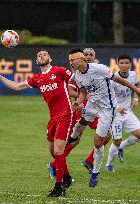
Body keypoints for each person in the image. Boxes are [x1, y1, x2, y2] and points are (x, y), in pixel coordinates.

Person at [0, 50, 74, 197]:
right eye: (38, 56)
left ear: (50, 58)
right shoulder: (37, 79)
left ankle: (59, 187)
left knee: (59, 152)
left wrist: (81, 96)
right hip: (53, 118)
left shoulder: (59, 71)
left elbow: (76, 79)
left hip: (66, 115)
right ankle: (67, 178)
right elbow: (16, 86)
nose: (41, 56)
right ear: (37, 61)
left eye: (44, 54)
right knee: (53, 152)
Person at [68, 49, 140, 188]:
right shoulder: (77, 75)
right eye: (69, 60)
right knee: (80, 123)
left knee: (98, 142)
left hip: (107, 108)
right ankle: (72, 138)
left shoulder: (99, 68)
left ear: (81, 59)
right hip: (92, 104)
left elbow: (118, 79)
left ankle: (95, 172)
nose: (71, 62)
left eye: (73, 60)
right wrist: (78, 102)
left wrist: (135, 89)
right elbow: (83, 92)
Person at [48, 48, 99, 179]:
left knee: (107, 133)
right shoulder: (75, 74)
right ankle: (55, 164)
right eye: (85, 54)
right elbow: (70, 91)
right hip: (81, 109)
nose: (88, 56)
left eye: (90, 55)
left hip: (95, 108)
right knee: (74, 140)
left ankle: (90, 160)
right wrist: (84, 98)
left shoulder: (96, 70)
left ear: (94, 57)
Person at [105, 55, 140, 171]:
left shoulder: (133, 75)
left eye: (126, 63)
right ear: (118, 65)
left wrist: (135, 98)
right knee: (116, 140)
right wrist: (117, 107)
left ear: (130, 64)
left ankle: (121, 147)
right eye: (122, 63)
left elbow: (136, 86)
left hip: (128, 113)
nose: (124, 65)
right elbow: (106, 97)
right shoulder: (113, 79)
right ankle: (109, 164)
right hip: (115, 115)